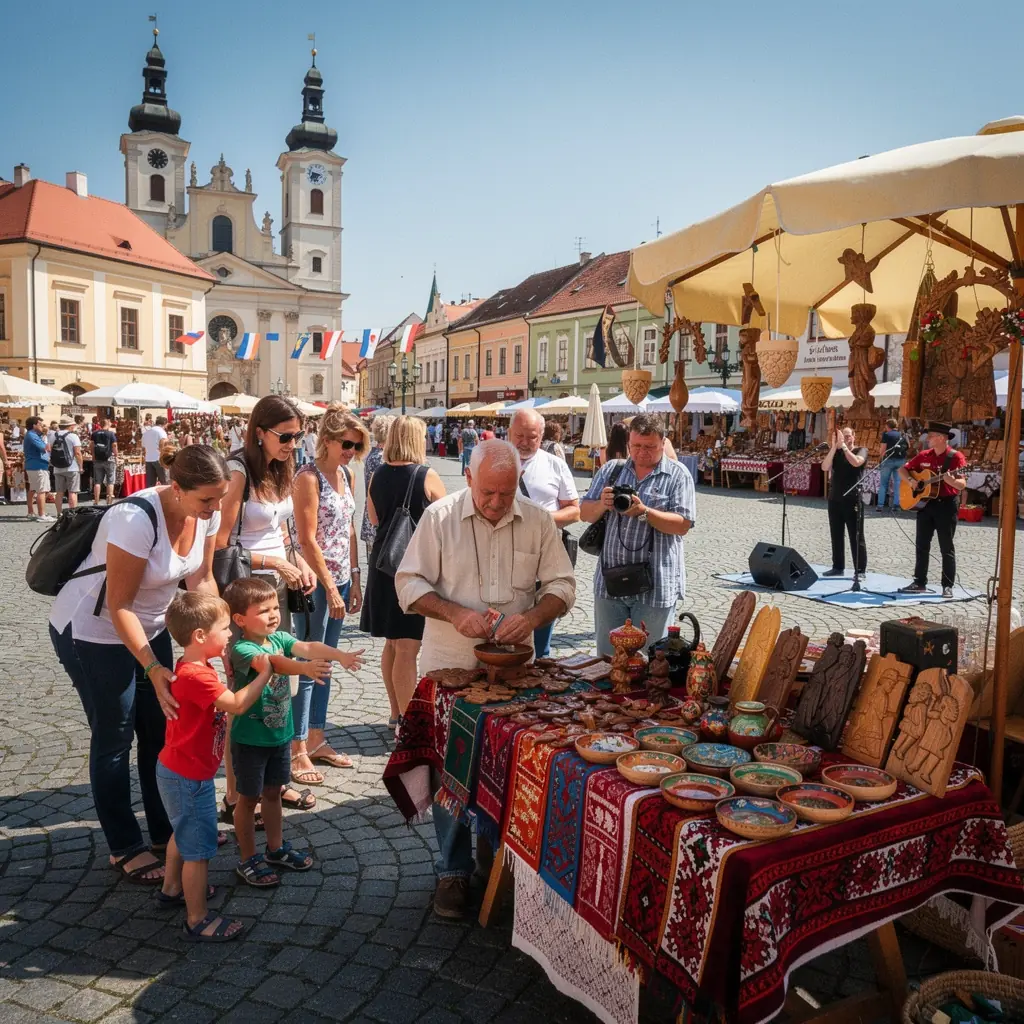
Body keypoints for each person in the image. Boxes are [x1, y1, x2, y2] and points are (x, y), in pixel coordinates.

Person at [396, 440, 575, 918]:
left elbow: (562, 584)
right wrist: (454, 612)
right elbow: (408, 583)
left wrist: (535, 616)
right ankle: (452, 870)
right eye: (488, 493)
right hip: (450, 663)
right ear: (469, 478)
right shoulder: (440, 517)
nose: (497, 504)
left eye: (507, 493)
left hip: (516, 668)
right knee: (451, 767)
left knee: (510, 762)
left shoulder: (536, 519)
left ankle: (498, 859)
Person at [50, 445, 230, 886]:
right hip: (92, 632)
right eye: (206, 499)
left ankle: (166, 830)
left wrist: (219, 639)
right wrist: (152, 668)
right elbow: (120, 604)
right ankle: (124, 845)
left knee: (161, 726)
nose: (214, 509)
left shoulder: (208, 512)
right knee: (116, 733)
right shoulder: (134, 519)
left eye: (220, 498)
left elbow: (201, 580)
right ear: (176, 488)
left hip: (148, 630)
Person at [216, 395, 318, 816]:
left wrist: (297, 563)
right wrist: (273, 561)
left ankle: (271, 784)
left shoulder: (280, 468)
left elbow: (282, 530)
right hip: (242, 592)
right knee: (247, 693)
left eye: (298, 435)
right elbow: (221, 543)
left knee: (276, 687)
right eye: (286, 436)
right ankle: (238, 794)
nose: (293, 443)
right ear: (260, 431)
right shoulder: (238, 471)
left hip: (274, 589)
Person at [224, 577, 362, 888]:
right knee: (248, 800)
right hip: (249, 741)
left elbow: (308, 646)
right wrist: (304, 668)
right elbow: (274, 664)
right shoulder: (242, 648)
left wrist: (338, 656)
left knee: (273, 793)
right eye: (263, 610)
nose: (273, 614)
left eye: (275, 607)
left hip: (279, 737)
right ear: (240, 620)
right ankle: (248, 859)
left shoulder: (279, 636)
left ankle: (275, 849)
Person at [157, 592, 271, 941]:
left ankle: (172, 889)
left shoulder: (193, 665)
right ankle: (198, 919)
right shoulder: (197, 676)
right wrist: (265, 672)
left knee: (183, 832)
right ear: (200, 637)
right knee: (200, 852)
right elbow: (235, 704)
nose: (230, 637)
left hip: (180, 770)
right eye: (225, 629)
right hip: (189, 777)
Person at [292, 405, 368, 775]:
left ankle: (317, 737)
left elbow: (350, 529)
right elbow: (307, 540)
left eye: (357, 444)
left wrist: (354, 578)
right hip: (312, 583)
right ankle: (298, 746)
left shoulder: (347, 474)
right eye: (347, 443)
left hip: (339, 578)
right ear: (326, 440)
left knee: (328, 664)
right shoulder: (308, 478)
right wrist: (330, 587)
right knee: (311, 663)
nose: (352, 450)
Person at [580, 414, 695, 656]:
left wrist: (645, 512)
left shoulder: (677, 475)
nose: (642, 452)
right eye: (636, 446)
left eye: (650, 446)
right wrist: (603, 503)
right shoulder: (612, 470)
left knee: (651, 664)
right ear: (628, 443)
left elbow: (683, 524)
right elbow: (584, 513)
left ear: (663, 442)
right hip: (610, 583)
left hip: (655, 586)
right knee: (608, 661)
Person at [361, 416, 446, 727]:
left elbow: (373, 520)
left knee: (393, 643)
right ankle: (412, 722)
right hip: (413, 565)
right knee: (408, 645)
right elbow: (447, 521)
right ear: (416, 439)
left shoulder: (377, 474)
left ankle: (396, 712)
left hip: (384, 563)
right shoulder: (426, 475)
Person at [508, 408, 580, 657]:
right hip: (502, 558)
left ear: (542, 436)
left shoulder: (555, 465)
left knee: (541, 637)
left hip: (543, 559)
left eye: (532, 437)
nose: (525, 443)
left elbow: (574, 511)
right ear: (509, 433)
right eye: (519, 436)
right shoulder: (494, 461)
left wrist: (543, 520)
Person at [898, 422, 967, 599]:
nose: (927, 439)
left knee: (946, 547)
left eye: (931, 436)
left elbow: (962, 484)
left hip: (946, 505)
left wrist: (951, 481)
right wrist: (912, 482)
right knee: (921, 545)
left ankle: (947, 585)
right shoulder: (923, 455)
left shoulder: (955, 457)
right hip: (926, 506)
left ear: (942, 438)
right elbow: (902, 470)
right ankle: (920, 582)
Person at [821, 426, 868, 577]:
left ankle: (859, 570)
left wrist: (845, 448)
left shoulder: (861, 450)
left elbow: (856, 463)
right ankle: (837, 566)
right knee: (836, 534)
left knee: (856, 535)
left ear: (854, 436)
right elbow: (824, 466)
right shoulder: (837, 452)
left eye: (848, 436)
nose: (846, 439)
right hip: (835, 499)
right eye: (843, 436)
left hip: (853, 499)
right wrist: (834, 447)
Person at [360, 415, 393, 559]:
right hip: (379, 518)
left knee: (373, 559)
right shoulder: (382, 457)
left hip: (370, 516)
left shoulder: (372, 454)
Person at [23, 416, 54, 522]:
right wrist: (49, 439)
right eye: (40, 424)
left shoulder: (32, 435)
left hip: (33, 465)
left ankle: (31, 511)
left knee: (33, 489)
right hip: (38, 465)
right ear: (34, 425)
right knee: (42, 490)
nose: (42, 426)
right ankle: (42, 515)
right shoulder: (32, 435)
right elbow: (45, 448)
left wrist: (44, 433)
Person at [51, 416, 83, 516]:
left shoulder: (53, 435)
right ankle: (72, 513)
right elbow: (77, 453)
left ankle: (59, 513)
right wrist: (81, 466)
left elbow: (49, 449)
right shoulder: (73, 436)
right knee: (72, 492)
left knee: (59, 492)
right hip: (72, 467)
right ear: (70, 426)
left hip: (57, 467)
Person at [876, 417, 908, 511]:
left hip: (888, 460)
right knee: (897, 483)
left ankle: (880, 505)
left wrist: (880, 459)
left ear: (887, 426)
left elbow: (883, 449)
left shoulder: (886, 435)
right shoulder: (902, 435)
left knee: (883, 483)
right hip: (900, 461)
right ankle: (896, 505)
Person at [92, 417, 119, 505]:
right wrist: (116, 456)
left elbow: (91, 445)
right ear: (107, 424)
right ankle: (109, 501)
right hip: (109, 459)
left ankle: (96, 501)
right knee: (110, 480)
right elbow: (114, 445)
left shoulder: (94, 433)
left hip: (98, 459)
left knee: (97, 481)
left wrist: (93, 456)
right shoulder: (111, 434)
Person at [143, 416, 170, 487]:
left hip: (149, 459)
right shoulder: (161, 431)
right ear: (164, 423)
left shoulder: (147, 432)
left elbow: (143, 447)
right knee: (165, 483)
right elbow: (163, 443)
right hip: (159, 459)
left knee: (150, 485)